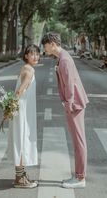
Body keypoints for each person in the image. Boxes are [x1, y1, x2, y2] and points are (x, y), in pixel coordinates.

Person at [41, 33, 89, 189]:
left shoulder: (65, 60)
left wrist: (68, 104)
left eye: (46, 45)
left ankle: (80, 177)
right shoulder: (62, 58)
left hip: (75, 104)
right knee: (77, 141)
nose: (44, 48)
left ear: (53, 43)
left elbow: (69, 85)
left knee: (78, 142)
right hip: (74, 103)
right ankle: (78, 175)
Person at [7, 44, 40, 189]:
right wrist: (9, 108)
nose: (36, 56)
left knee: (21, 140)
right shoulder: (30, 70)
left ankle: (20, 174)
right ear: (26, 56)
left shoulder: (26, 68)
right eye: (32, 54)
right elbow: (20, 91)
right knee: (22, 141)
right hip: (23, 111)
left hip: (22, 109)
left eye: (37, 54)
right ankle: (20, 179)